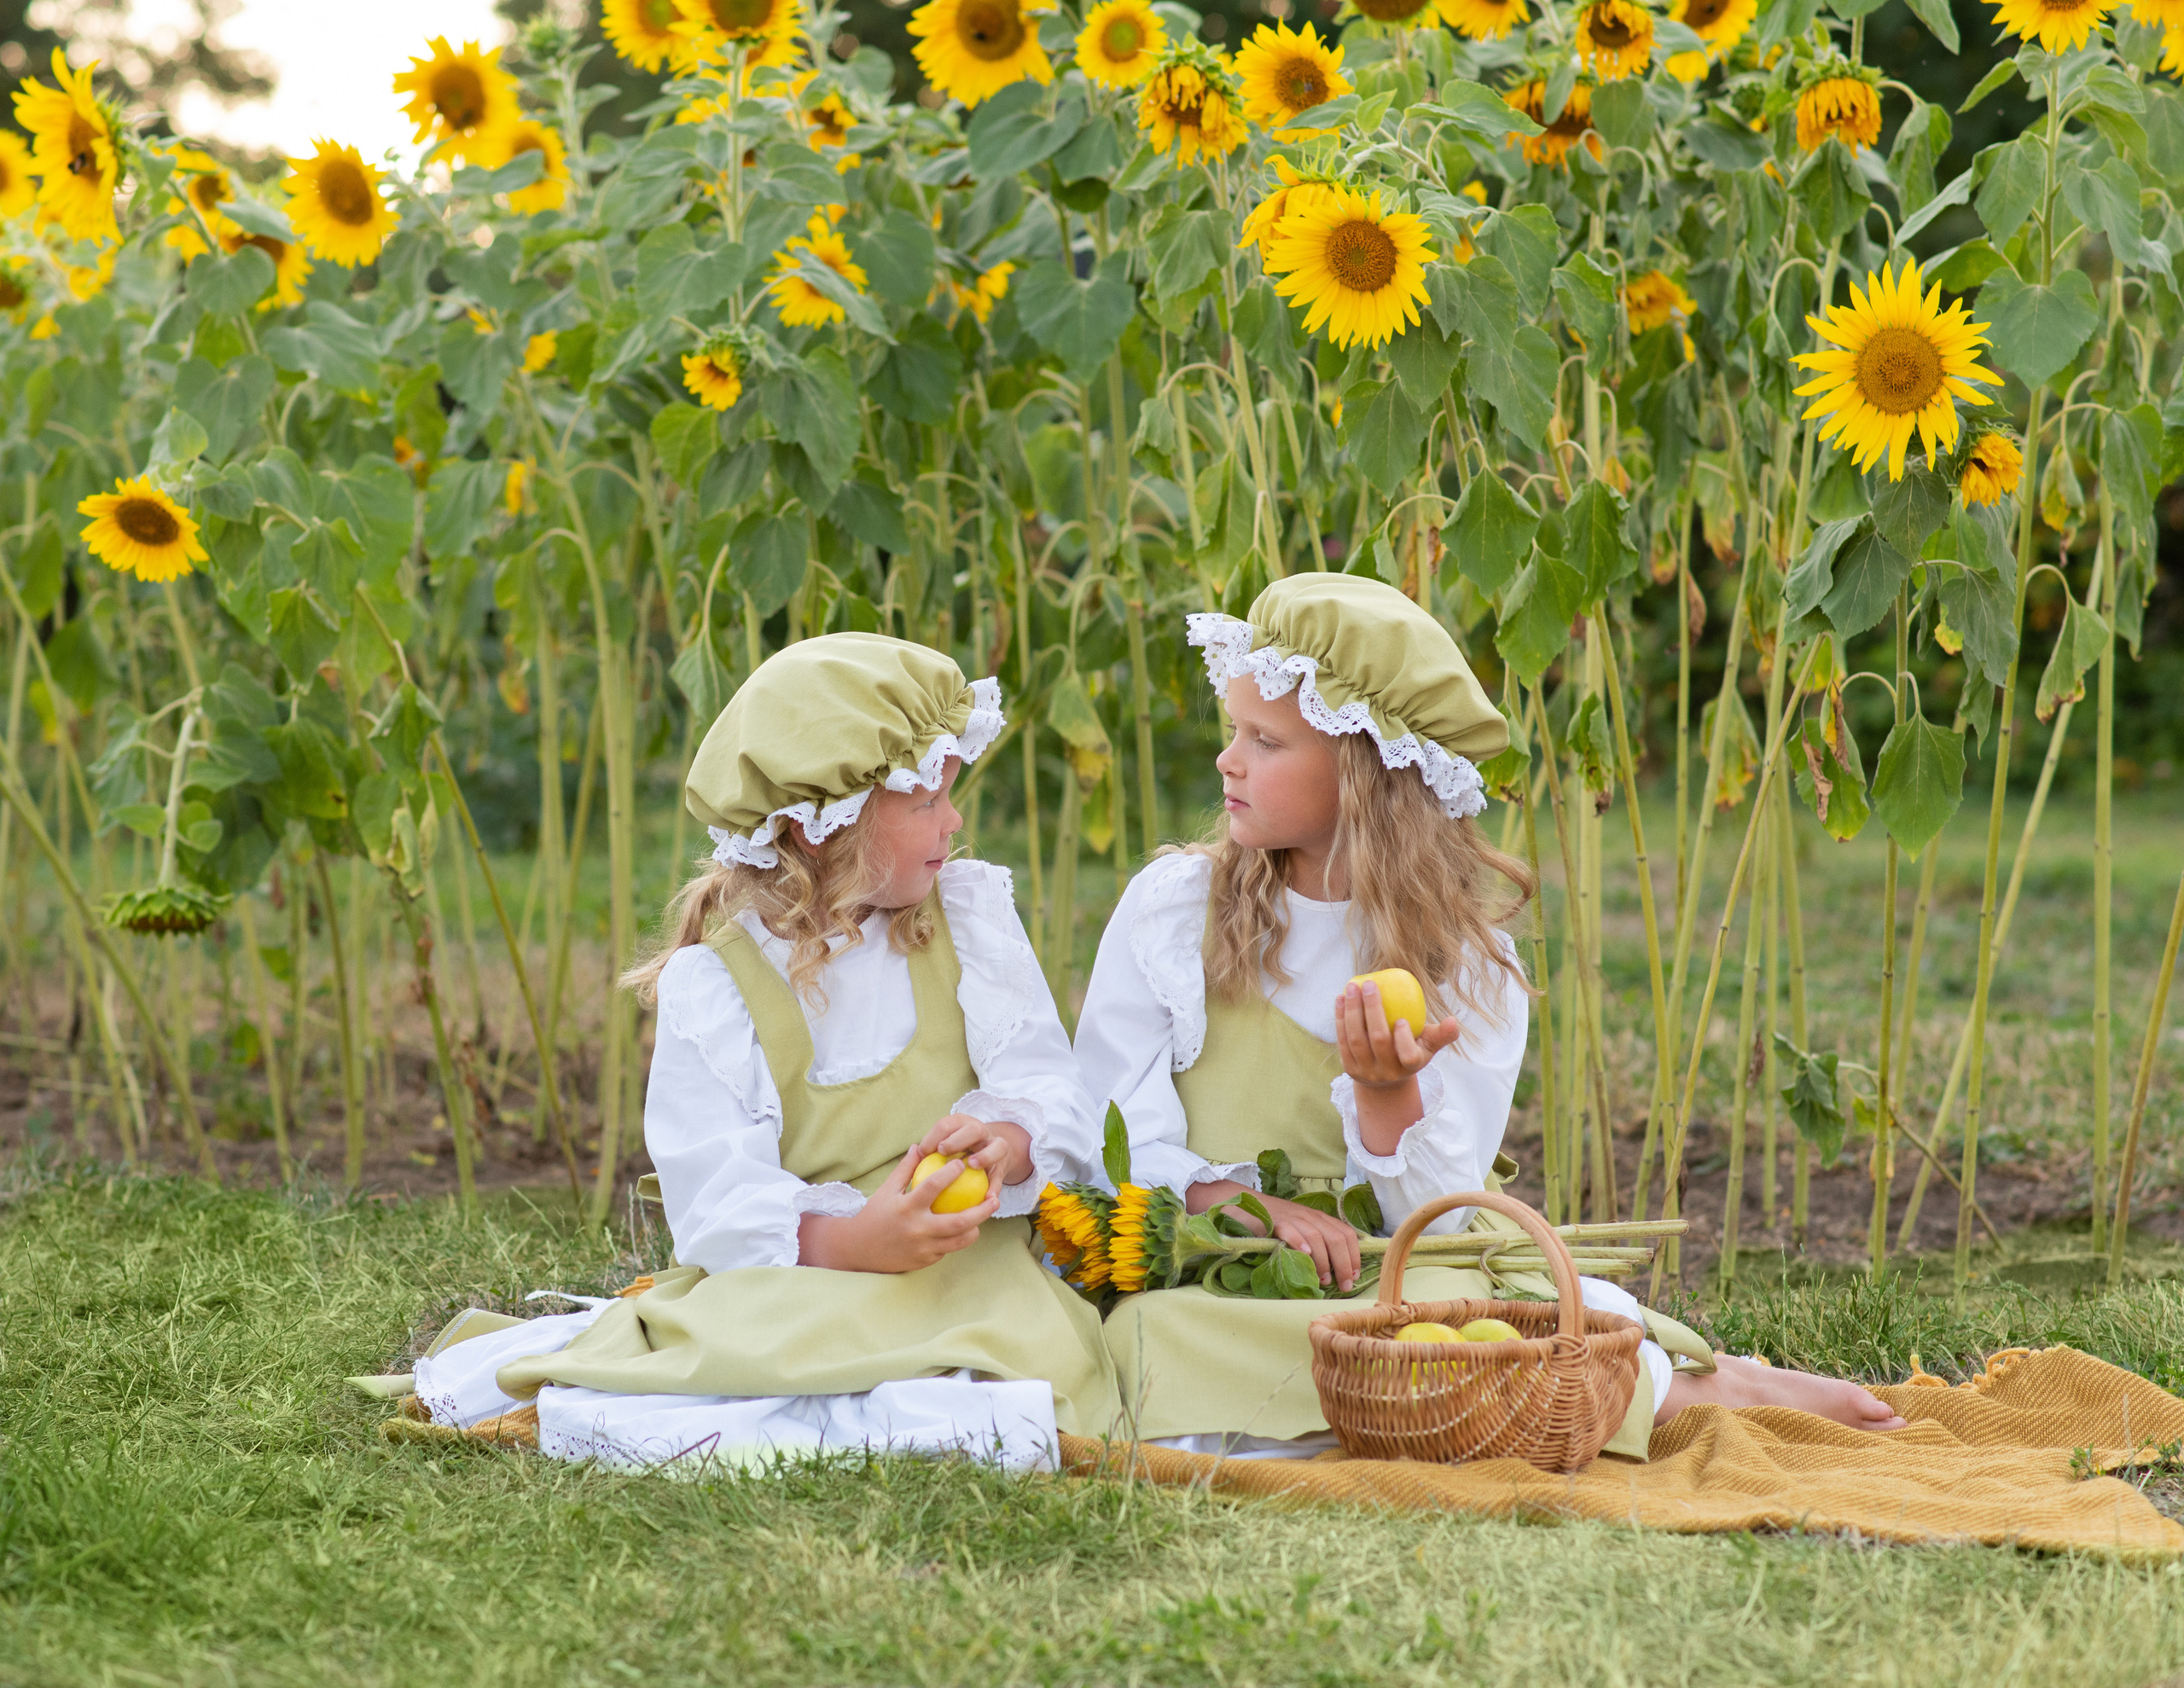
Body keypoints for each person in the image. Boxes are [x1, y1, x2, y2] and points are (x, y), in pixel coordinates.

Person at [1073, 574, 1905, 1459]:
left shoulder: (1463, 966)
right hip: (1202, 1268)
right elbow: (1104, 1120)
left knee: (1454, 1333)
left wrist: (1388, 1095)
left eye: (1264, 740)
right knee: (1134, 1342)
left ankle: (1700, 1383)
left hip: (1396, 1268)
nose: (1226, 760)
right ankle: (1643, 1384)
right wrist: (1233, 1200)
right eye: (1233, 730)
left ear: (1363, 774)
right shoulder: (1175, 909)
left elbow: (1439, 1213)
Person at [427, 634, 1122, 1469]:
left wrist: (1009, 1140)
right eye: (926, 800)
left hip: (968, 1273)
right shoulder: (721, 987)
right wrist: (855, 1241)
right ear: (822, 824)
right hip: (803, 1275)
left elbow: (1045, 1078)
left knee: (999, 1375)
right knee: (759, 1371)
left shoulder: (966, 923)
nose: (956, 819)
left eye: (951, 792)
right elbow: (717, 1199)